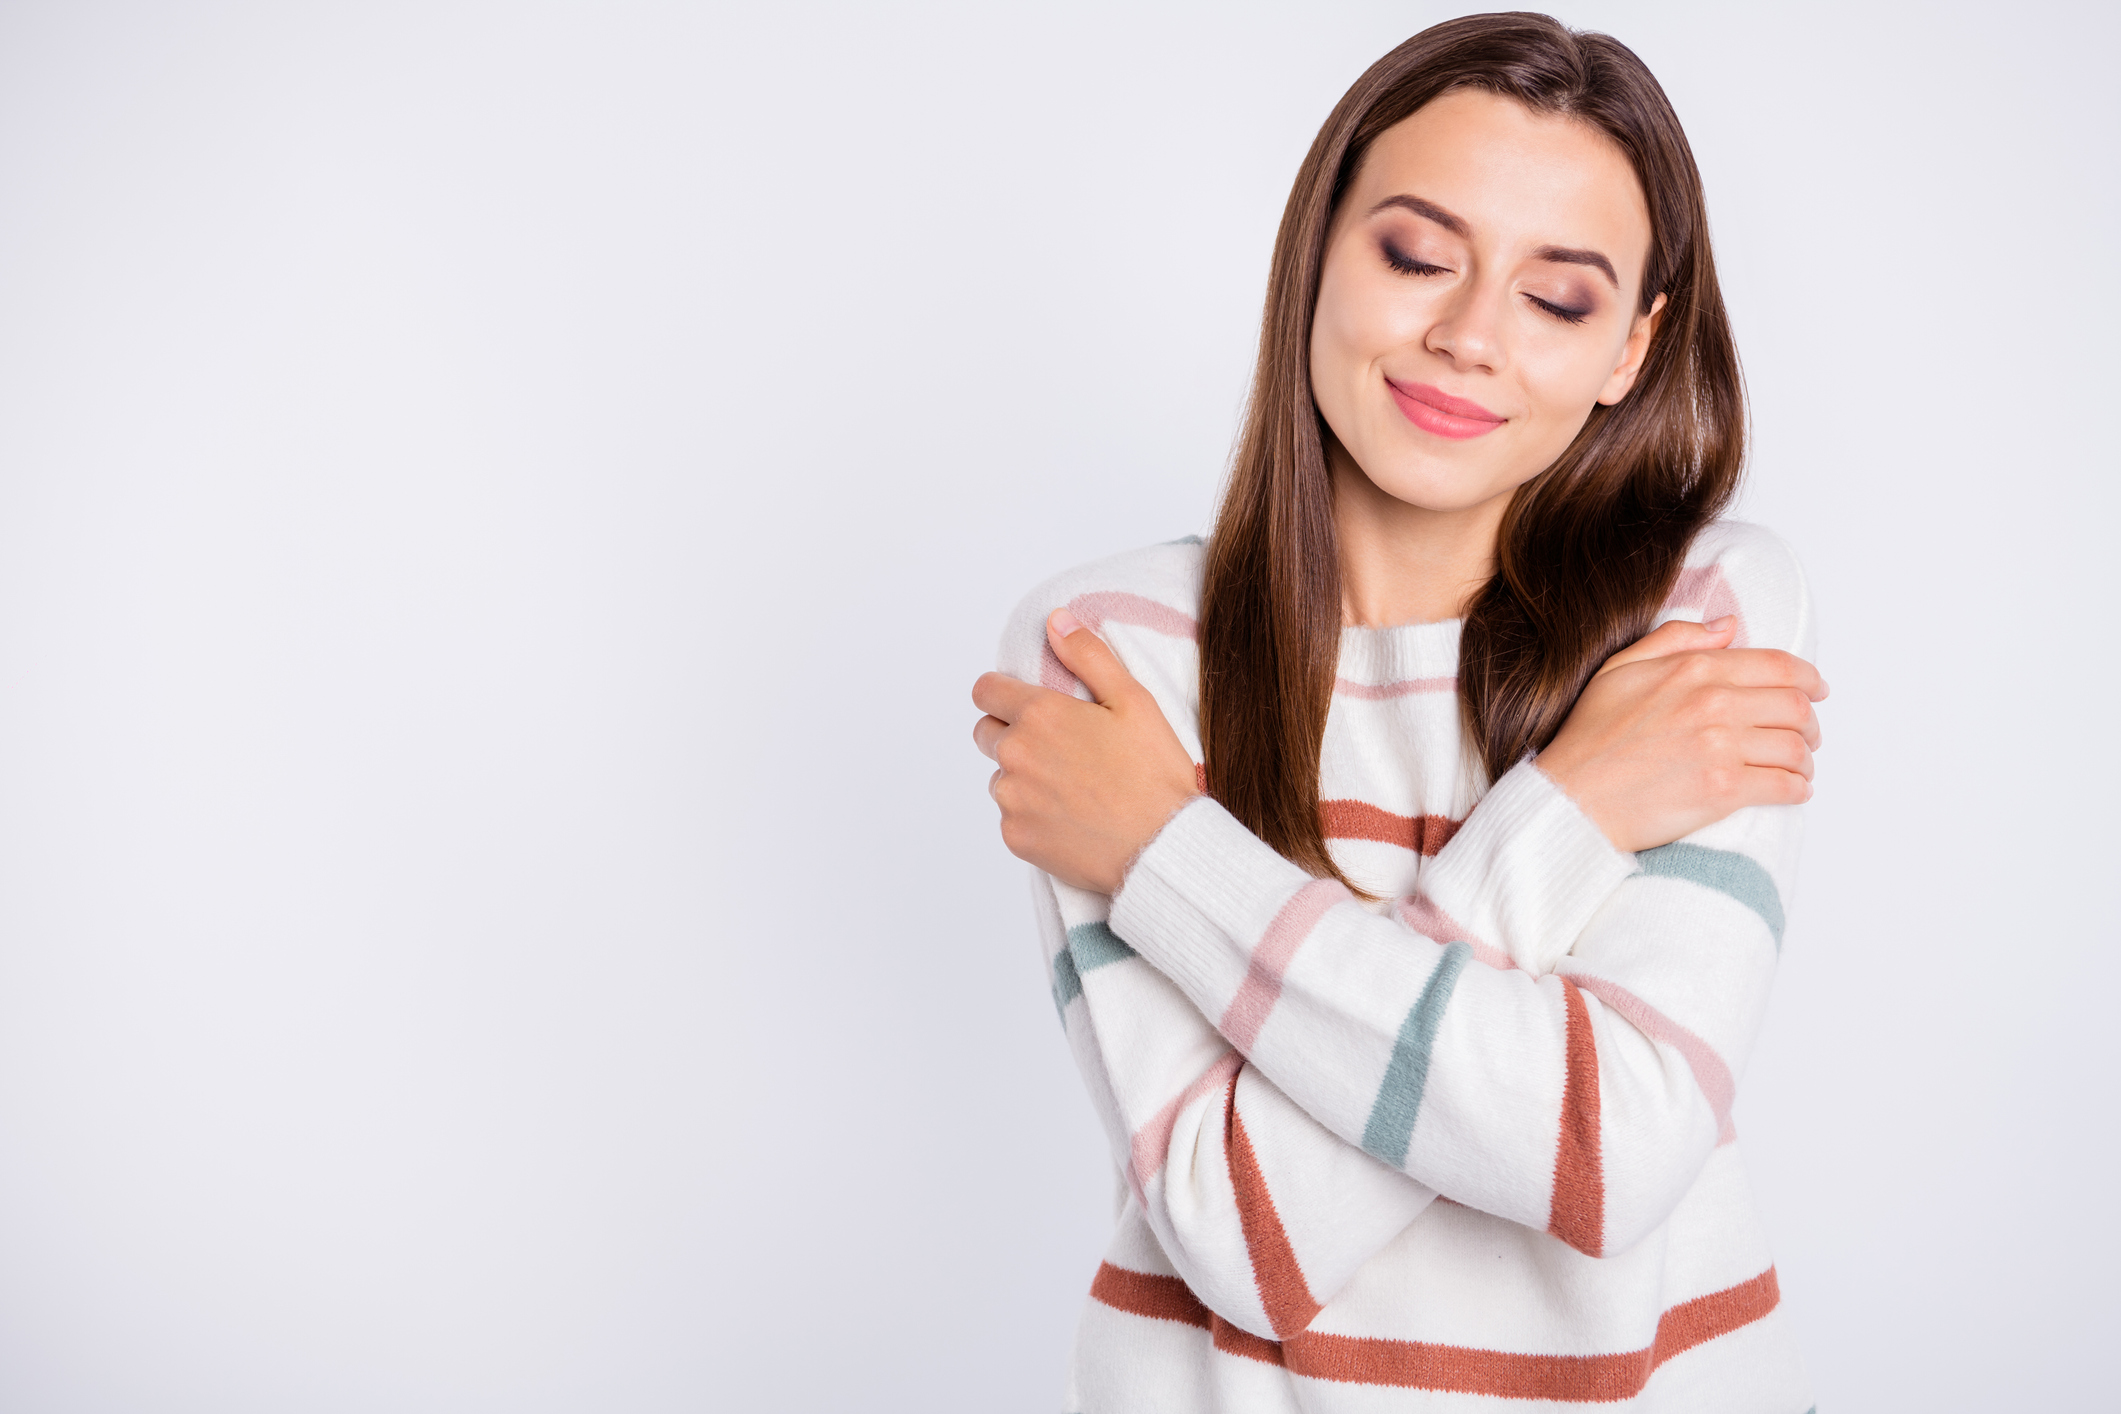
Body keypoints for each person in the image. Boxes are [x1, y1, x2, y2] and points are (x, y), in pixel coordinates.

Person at [971, 14, 1825, 1412]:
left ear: (1630, 346)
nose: (1467, 336)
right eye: (1415, 255)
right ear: (1314, 249)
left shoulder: (1704, 614)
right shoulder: (1108, 654)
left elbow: (1607, 1151)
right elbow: (1244, 1231)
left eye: (1556, 300)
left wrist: (1164, 854)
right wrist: (1580, 811)